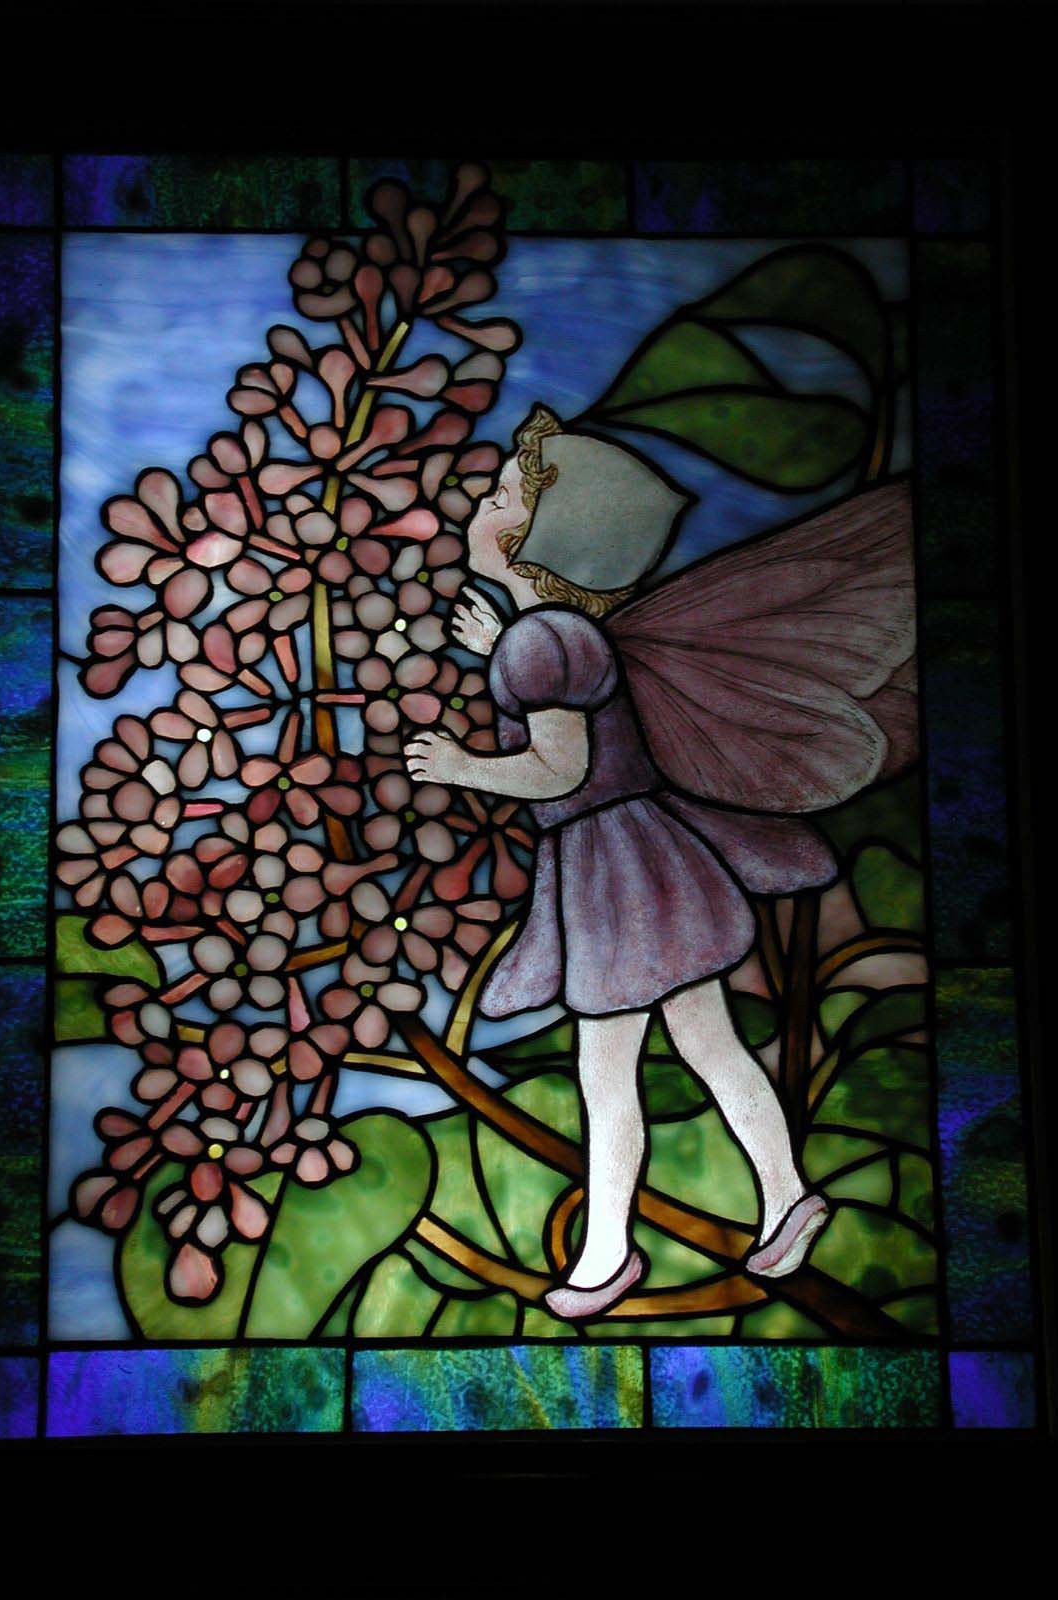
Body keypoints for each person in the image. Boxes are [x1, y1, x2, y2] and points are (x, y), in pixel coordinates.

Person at [404, 404, 915, 1320]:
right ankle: (787, 1196)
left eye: (498, 497)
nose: (477, 505)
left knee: (606, 1074)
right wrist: (500, 648)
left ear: (532, 540)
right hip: (654, 863)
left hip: (612, 879)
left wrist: (459, 765)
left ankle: (606, 1257)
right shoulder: (554, 635)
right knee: (709, 1046)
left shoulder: (542, 643)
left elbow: (560, 768)